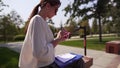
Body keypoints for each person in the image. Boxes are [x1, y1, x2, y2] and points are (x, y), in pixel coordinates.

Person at [19, 0, 70, 68]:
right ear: (48, 5)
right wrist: (57, 40)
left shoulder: (40, 21)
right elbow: (40, 53)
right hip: (41, 66)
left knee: (77, 61)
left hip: (44, 65)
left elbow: (44, 46)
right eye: (56, 9)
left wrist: (59, 39)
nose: (56, 13)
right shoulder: (37, 20)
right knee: (79, 61)